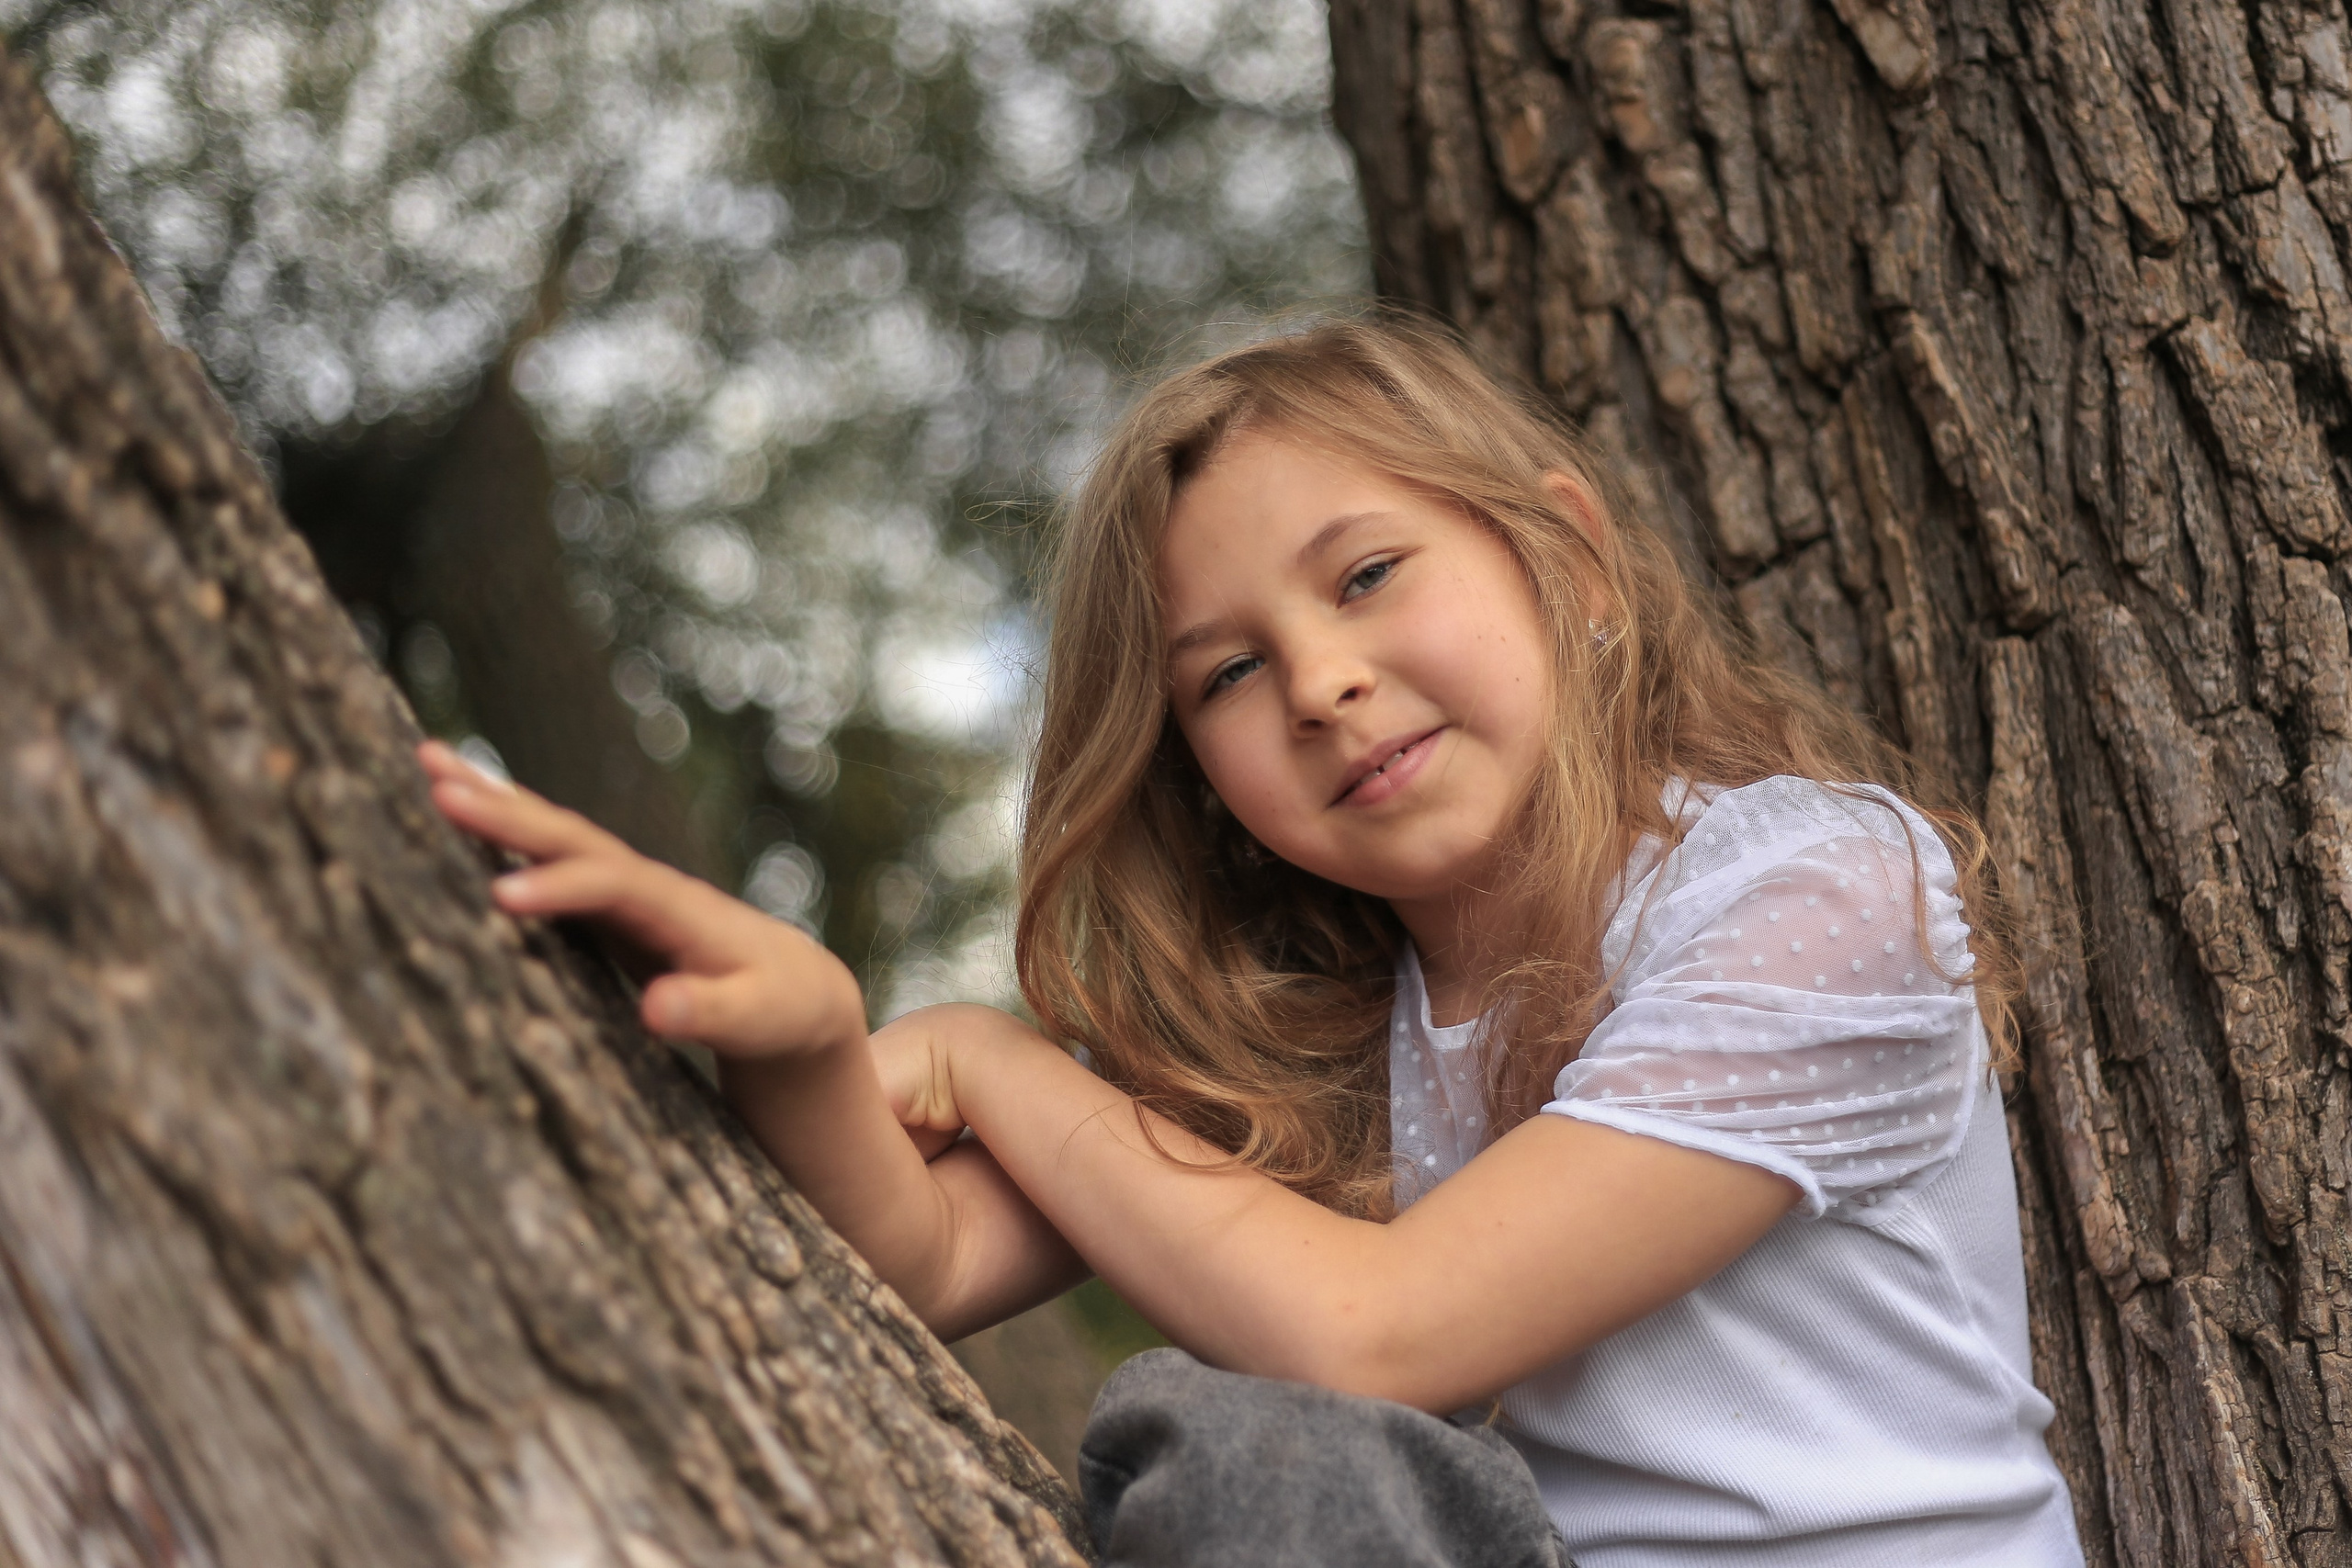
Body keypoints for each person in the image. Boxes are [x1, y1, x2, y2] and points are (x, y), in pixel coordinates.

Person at [420, 318, 2083, 1567]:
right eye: (1224, 673)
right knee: (1260, 1463)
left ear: (1569, 559)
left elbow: (1381, 1331)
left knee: (1275, 1430)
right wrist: (800, 1044)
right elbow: (918, 1258)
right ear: (1198, 776)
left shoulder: (1817, 888)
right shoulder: (1316, 1029)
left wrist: (993, 1059)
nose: (1319, 681)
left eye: (1365, 574)